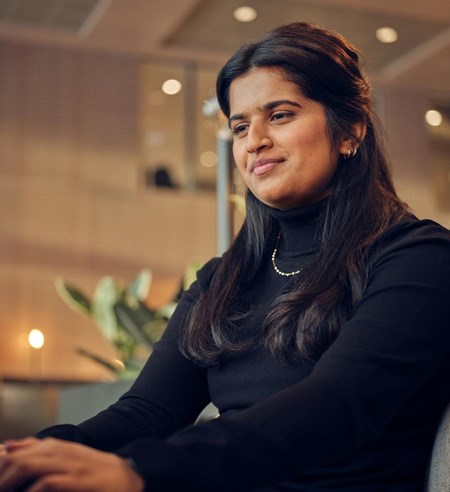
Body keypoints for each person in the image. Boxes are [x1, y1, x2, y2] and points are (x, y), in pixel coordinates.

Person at [1, 22, 449, 492]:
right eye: (240, 126)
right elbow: (146, 412)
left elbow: (335, 406)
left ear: (350, 130)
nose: (253, 140)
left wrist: (141, 472)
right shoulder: (225, 280)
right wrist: (30, 455)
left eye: (279, 115)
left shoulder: (417, 258)